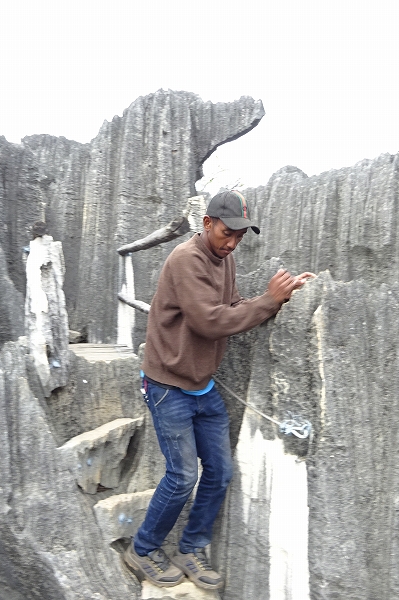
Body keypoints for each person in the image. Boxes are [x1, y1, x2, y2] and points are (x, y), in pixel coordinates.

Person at [123, 189, 314, 590]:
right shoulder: (185, 260)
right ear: (207, 223)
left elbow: (235, 306)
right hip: (167, 385)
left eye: (239, 238)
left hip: (201, 385)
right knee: (181, 475)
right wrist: (268, 300)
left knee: (221, 471)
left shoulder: (223, 258)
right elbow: (210, 322)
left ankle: (192, 548)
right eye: (227, 234)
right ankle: (142, 549)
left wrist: (283, 297)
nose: (231, 244)